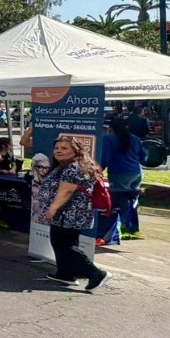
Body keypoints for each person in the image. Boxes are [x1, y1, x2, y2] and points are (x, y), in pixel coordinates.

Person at [38, 136, 111, 291]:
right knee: (61, 243)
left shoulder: (74, 168)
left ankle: (96, 273)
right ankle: (65, 274)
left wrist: (52, 209)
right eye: (57, 148)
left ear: (76, 150)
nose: (59, 151)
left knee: (66, 246)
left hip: (69, 214)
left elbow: (66, 191)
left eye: (64, 148)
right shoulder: (64, 166)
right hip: (65, 214)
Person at [101, 118, 148, 240]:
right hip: (136, 173)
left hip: (118, 174)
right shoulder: (135, 139)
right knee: (132, 201)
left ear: (110, 128)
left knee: (118, 203)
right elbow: (144, 157)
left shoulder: (108, 139)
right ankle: (132, 227)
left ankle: (117, 229)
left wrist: (98, 170)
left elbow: (105, 158)